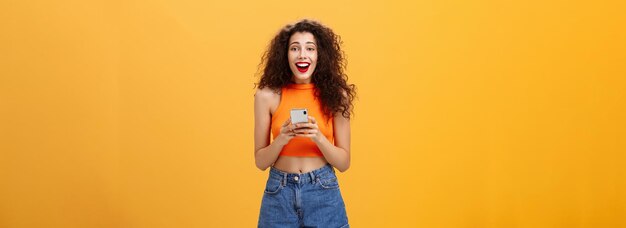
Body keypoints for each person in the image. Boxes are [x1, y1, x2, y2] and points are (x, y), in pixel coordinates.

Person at [253, 19, 356, 228]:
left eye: (310, 48)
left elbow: (344, 163)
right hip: (279, 193)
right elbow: (260, 161)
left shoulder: (336, 96)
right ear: (285, 55)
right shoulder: (266, 96)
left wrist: (318, 137)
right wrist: (281, 139)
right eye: (294, 48)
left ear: (320, 55)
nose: (302, 54)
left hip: (323, 191)